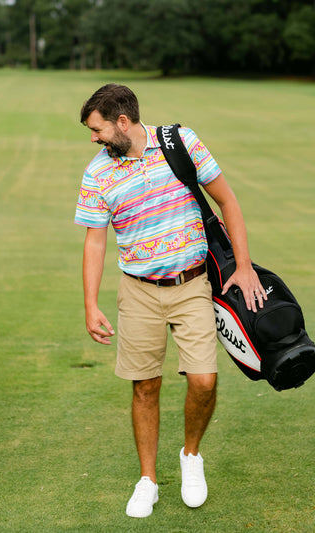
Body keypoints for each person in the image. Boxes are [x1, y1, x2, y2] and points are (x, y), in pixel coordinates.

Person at [74, 84, 266, 518]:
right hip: (138, 290)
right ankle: (148, 480)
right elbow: (94, 242)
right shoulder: (97, 173)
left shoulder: (182, 142)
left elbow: (227, 200)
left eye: (97, 129)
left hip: (193, 284)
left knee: (203, 380)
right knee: (145, 386)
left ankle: (191, 455)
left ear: (122, 122)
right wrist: (90, 303)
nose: (93, 138)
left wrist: (245, 265)